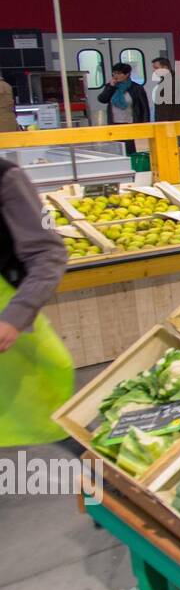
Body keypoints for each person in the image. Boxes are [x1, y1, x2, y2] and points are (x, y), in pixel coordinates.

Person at [0, 158, 73, 446]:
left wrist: (15, 317)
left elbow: (49, 252)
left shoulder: (7, 178)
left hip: (11, 339)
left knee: (55, 431)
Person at [150, 57, 180, 183]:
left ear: (165, 68)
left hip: (172, 122)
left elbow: (165, 107)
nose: (154, 71)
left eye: (156, 68)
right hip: (175, 121)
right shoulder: (174, 81)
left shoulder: (170, 83)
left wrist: (161, 124)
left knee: (179, 148)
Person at [97, 62, 149, 155]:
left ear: (127, 74)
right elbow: (102, 99)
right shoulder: (111, 86)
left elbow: (144, 107)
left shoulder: (136, 88)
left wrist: (144, 125)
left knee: (130, 148)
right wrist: (111, 87)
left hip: (130, 123)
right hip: (115, 123)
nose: (116, 76)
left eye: (119, 73)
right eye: (114, 73)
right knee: (117, 148)